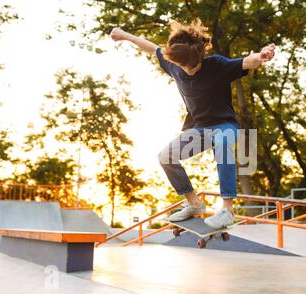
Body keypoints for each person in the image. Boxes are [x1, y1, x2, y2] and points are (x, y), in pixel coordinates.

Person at [110, 19, 275, 229]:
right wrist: (125, 35)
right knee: (165, 156)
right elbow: (153, 48)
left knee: (223, 142)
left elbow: (247, 62)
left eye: (193, 66)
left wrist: (261, 56)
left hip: (224, 125)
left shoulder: (217, 65)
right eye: (183, 67)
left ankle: (227, 210)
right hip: (198, 129)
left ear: (200, 58)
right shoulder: (175, 64)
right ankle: (194, 203)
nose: (188, 70)